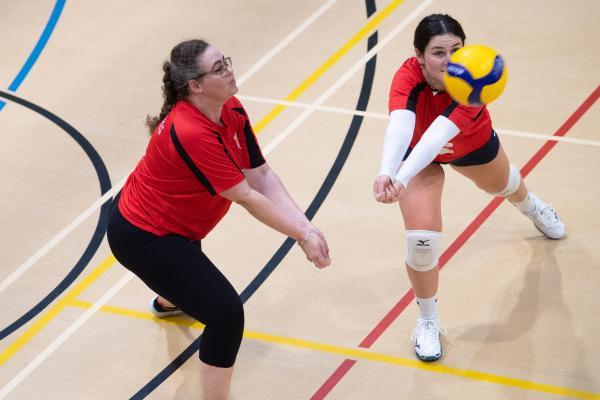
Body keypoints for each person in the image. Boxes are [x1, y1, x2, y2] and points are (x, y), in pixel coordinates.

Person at [106, 39, 331, 399]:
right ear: (195, 85)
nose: (229, 71)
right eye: (218, 68)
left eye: (225, 62)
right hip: (143, 235)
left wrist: (305, 225)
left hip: (175, 224)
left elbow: (260, 174)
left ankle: (170, 300)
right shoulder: (191, 131)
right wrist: (301, 235)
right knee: (226, 315)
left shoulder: (231, 109)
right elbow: (245, 195)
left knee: (185, 277)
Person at [373, 14, 564, 362]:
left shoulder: (477, 78)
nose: (449, 61)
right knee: (421, 242)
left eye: (455, 49)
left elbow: (439, 136)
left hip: (469, 146)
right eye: (438, 53)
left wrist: (398, 179)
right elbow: (401, 126)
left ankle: (531, 205)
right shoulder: (406, 76)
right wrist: (388, 171)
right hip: (419, 158)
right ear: (420, 56)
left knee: (507, 186)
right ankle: (429, 322)